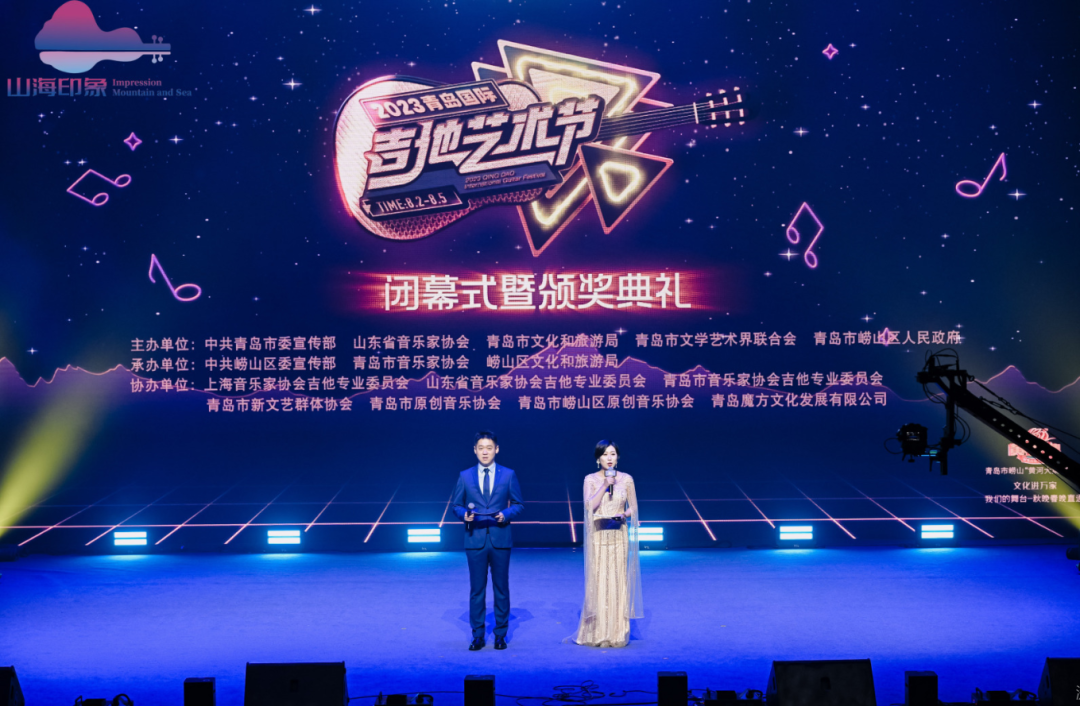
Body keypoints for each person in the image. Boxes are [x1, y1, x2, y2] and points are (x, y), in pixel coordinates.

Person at [451, 430, 524, 651]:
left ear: (496, 449)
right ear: (475, 450)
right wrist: (464, 515)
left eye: (489, 448)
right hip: (475, 539)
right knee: (477, 590)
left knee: (501, 588)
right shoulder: (465, 476)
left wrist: (506, 514)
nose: (485, 452)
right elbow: (456, 505)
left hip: (500, 539)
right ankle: (478, 635)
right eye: (481, 448)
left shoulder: (508, 474)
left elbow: (518, 504)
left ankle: (500, 635)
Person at [569, 440, 643, 647]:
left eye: (612, 454)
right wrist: (604, 485)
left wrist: (624, 514)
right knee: (600, 581)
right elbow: (589, 506)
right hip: (598, 535)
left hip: (618, 536)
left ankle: (617, 634)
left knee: (617, 581)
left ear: (617, 457)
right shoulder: (590, 479)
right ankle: (598, 634)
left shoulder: (627, 479)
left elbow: (634, 507)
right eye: (605, 454)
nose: (609, 458)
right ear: (598, 458)